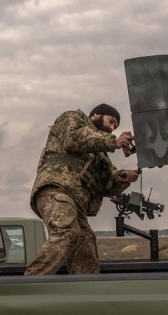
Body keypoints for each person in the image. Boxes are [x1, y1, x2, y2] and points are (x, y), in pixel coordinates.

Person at [24, 104, 139, 275]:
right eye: (111, 121)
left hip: (76, 203)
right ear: (96, 115)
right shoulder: (71, 118)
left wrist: (123, 177)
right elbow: (74, 138)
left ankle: (87, 293)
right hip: (56, 190)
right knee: (67, 231)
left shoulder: (100, 155)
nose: (112, 127)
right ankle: (29, 284)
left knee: (85, 246)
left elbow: (108, 183)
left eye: (115, 126)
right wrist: (113, 141)